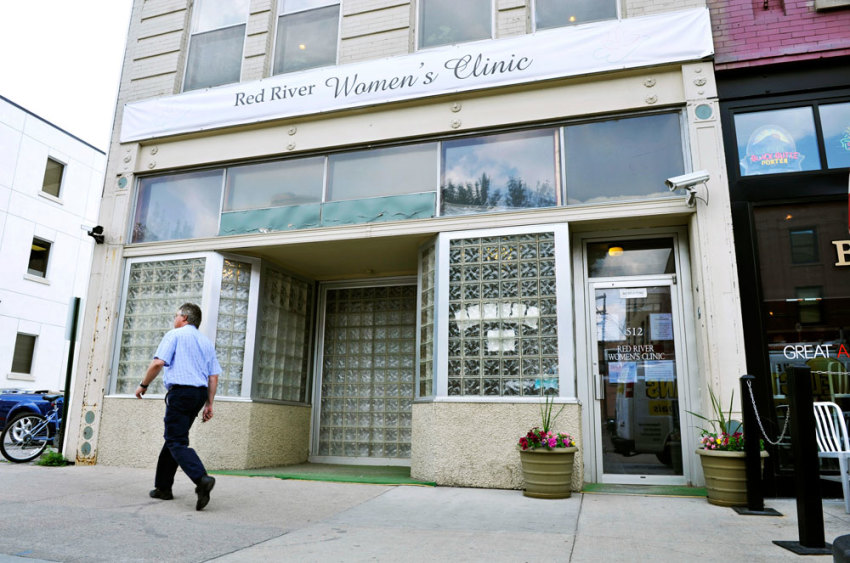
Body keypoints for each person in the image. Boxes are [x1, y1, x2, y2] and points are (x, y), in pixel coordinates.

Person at [136, 303, 220, 511]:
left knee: (176, 440)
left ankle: (201, 478)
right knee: (173, 439)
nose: (174, 319)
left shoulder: (175, 335)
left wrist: (143, 385)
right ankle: (163, 488)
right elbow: (213, 377)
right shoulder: (206, 342)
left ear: (184, 318)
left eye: (176, 315)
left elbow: (157, 363)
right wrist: (209, 404)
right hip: (198, 395)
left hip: (181, 392)